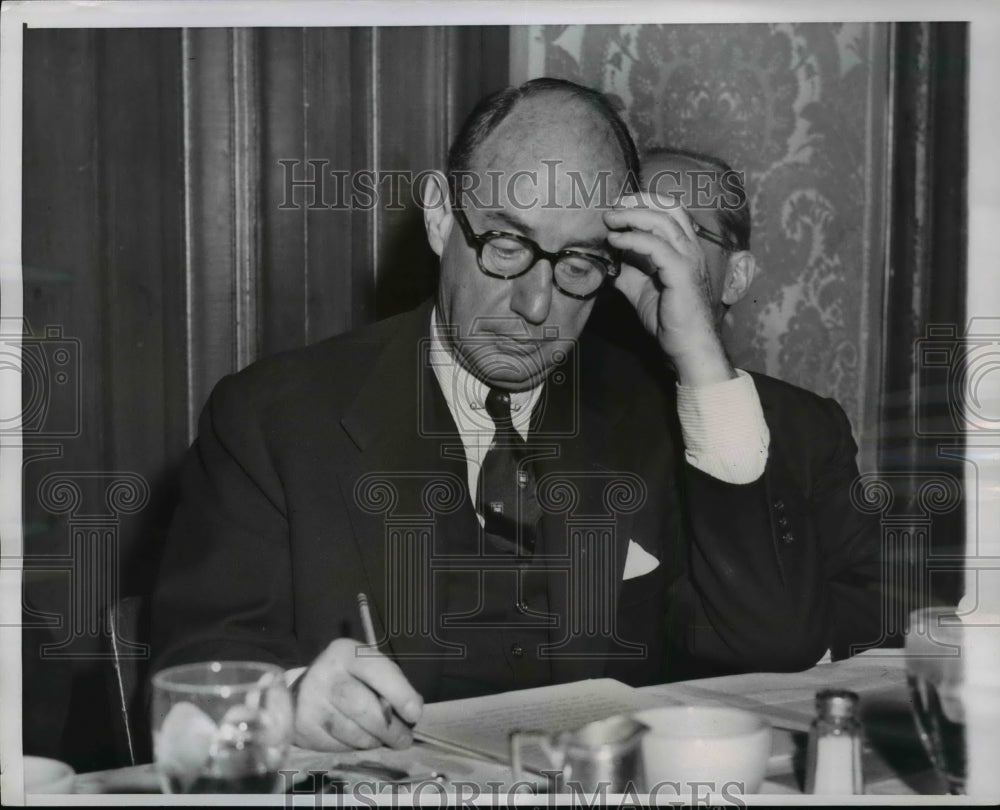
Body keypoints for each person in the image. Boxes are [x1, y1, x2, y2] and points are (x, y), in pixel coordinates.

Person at [150, 78, 883, 753]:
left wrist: (698, 358)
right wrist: (289, 702)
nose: (537, 307)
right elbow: (189, 680)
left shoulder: (651, 418)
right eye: (506, 245)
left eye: (578, 265)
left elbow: (771, 647)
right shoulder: (273, 419)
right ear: (441, 217)